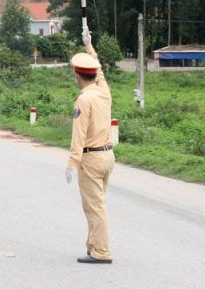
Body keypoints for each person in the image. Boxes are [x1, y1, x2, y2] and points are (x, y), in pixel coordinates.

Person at [66, 27, 115, 264]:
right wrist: (89, 46)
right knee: (97, 205)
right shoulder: (103, 91)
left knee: (95, 208)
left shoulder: (84, 100)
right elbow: (100, 70)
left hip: (91, 159)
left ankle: (101, 252)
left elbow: (79, 135)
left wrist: (71, 163)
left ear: (77, 76)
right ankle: (93, 245)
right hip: (107, 157)